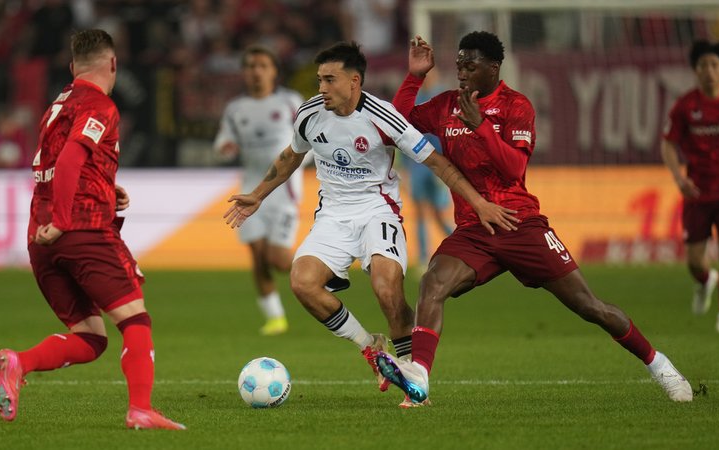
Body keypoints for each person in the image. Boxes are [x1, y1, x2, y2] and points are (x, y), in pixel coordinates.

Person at [375, 31, 694, 405]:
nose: (461, 72)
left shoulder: (516, 106)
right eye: (459, 64)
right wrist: (414, 76)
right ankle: (420, 378)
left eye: (471, 65)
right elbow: (391, 128)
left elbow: (513, 168)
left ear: (493, 68)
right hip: (475, 229)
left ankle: (660, 365)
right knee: (432, 283)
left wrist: (480, 125)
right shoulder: (446, 105)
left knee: (591, 307)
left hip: (520, 225)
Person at [224, 41, 517, 405]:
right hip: (333, 214)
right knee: (302, 283)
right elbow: (289, 157)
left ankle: (411, 373)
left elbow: (437, 163)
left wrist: (479, 203)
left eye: (329, 80)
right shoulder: (309, 114)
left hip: (378, 211)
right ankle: (371, 347)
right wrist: (258, 194)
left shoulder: (383, 116)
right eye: (319, 80)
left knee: (386, 286)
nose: (321, 89)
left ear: (354, 81)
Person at [0, 29, 185, 430]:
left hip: (40, 238)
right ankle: (141, 411)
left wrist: (104, 186)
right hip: (79, 230)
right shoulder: (101, 105)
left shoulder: (57, 105)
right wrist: (65, 220)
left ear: (72, 67)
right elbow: (67, 162)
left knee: (91, 336)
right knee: (135, 320)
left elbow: (54, 164)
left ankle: (19, 363)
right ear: (113, 64)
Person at [213, 45, 306, 336]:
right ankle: (275, 318)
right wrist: (224, 148)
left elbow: (310, 142)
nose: (256, 71)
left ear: (274, 71)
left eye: (262, 65)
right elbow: (222, 142)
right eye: (251, 66)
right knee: (257, 254)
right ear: (244, 72)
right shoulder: (235, 109)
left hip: (283, 188)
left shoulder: (291, 102)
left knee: (277, 259)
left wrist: (294, 164)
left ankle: (320, 277)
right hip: (249, 187)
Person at [661, 40, 719, 335]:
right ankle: (704, 281)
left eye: (714, 65)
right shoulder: (686, 107)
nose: (708, 71)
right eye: (702, 66)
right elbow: (669, 144)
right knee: (696, 261)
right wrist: (678, 178)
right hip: (697, 193)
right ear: (695, 72)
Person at [403, 67, 454, 273]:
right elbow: (404, 135)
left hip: (440, 164)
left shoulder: (445, 98)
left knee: (440, 214)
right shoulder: (415, 99)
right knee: (421, 212)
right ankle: (424, 259)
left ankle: (464, 249)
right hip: (418, 165)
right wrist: (404, 168)